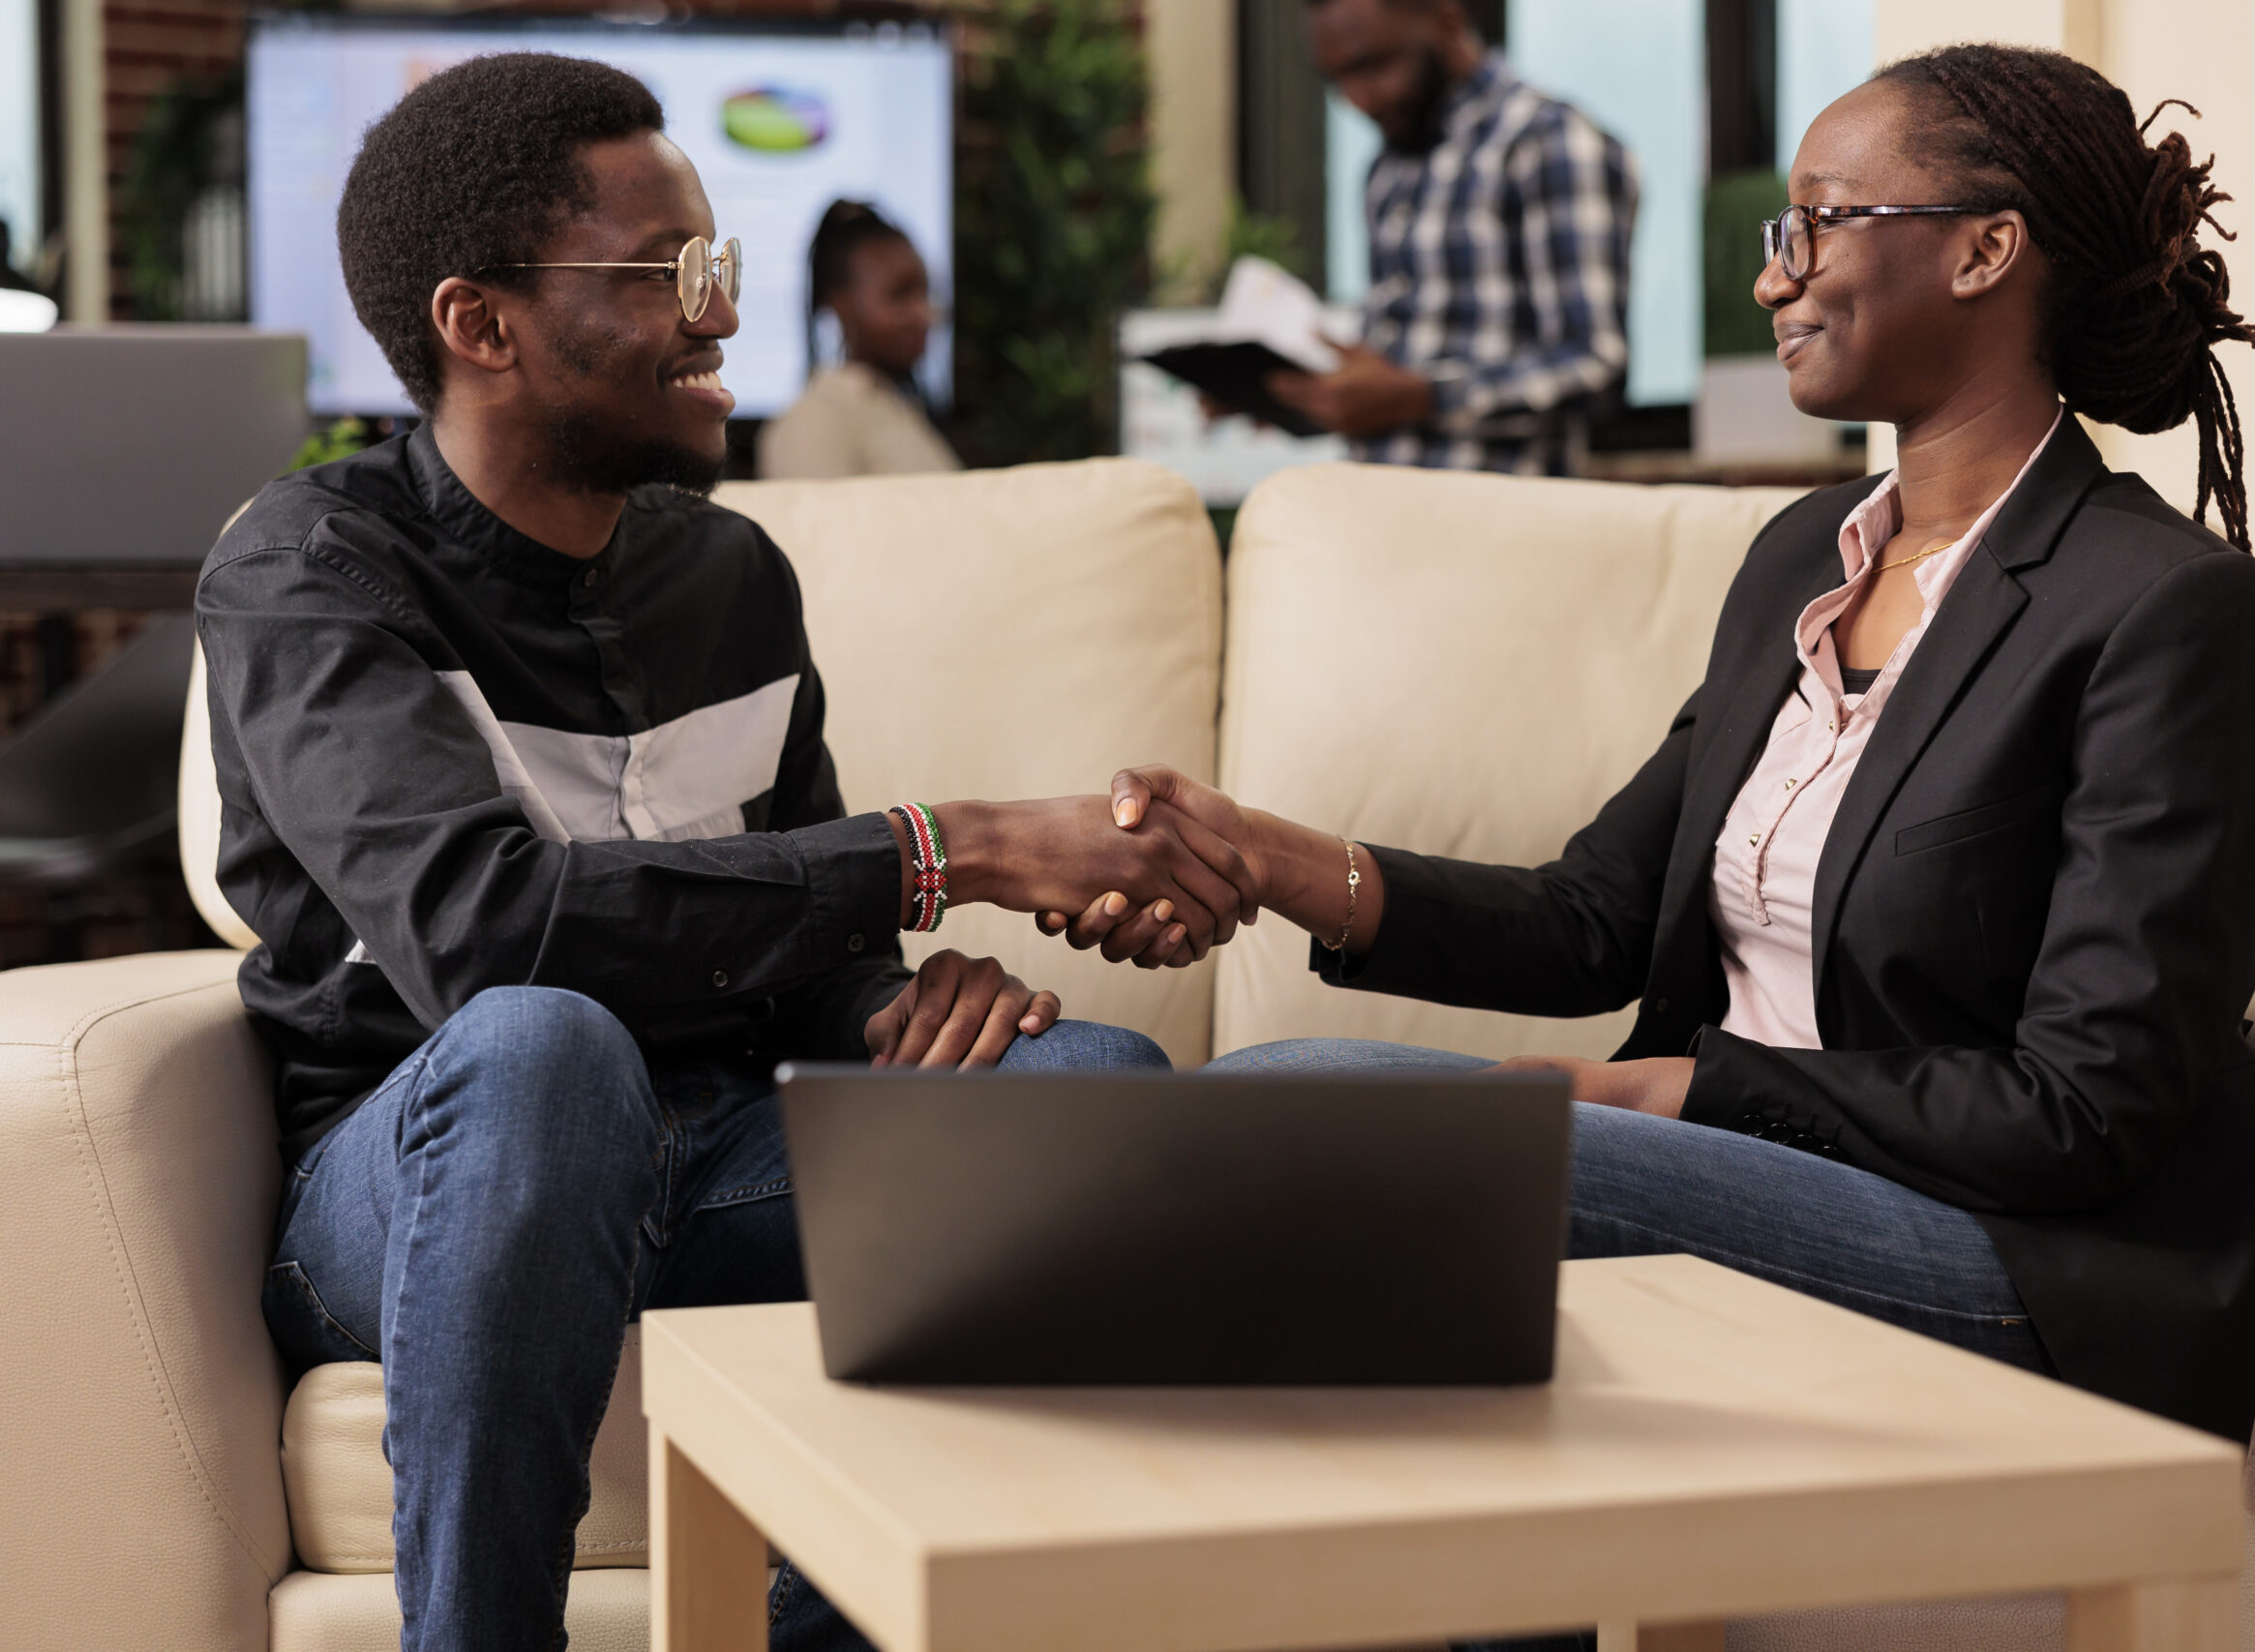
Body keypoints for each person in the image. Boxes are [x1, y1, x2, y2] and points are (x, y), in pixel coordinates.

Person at [1065, 44, 2255, 1472]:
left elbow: (2083, 1108)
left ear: (1985, 251)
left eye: (1821, 222)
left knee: (1309, 1111)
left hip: (2009, 1255)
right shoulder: (1800, 559)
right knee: (1327, 1201)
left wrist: (1673, 1089)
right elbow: (1594, 918)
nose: (1776, 275)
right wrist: (1261, 855)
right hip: (1751, 1169)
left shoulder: (2165, 608)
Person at [195, 54, 1246, 1652]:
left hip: (722, 1149)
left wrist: (899, 1011)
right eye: (676, 273)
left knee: (1083, 1085)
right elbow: (493, 937)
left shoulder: (733, 575)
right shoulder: (312, 566)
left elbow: (810, 960)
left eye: (723, 267)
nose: (725, 317)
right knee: (546, 1043)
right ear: (485, 325)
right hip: (427, 1179)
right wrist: (934, 850)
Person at [1274, 0, 1638, 475]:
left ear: (1447, 21)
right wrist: (1298, 397)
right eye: (1336, 78)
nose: (1358, 98)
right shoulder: (1387, 170)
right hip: (1374, 509)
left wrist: (1424, 398)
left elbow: (1595, 368)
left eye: (1375, 65)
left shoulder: (1549, 142)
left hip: (1495, 523)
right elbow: (1393, 369)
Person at [757, 198, 961, 480]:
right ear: (840, 304)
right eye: (900, 294)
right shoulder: (815, 418)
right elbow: (812, 524)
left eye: (924, 293)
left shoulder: (895, 408)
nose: (922, 313)